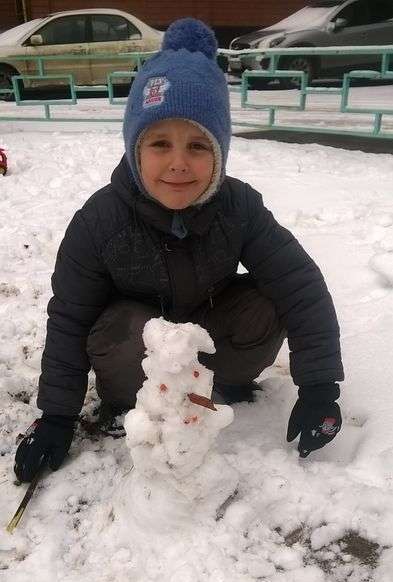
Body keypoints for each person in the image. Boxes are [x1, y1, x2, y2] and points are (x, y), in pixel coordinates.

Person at [14, 18, 344, 484]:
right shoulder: (100, 221)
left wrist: (320, 386)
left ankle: (221, 386)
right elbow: (69, 318)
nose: (178, 162)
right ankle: (132, 403)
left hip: (214, 345)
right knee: (119, 325)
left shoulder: (239, 207)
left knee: (271, 295)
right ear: (135, 150)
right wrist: (56, 417)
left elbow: (301, 286)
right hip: (138, 364)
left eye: (197, 145)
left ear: (220, 153)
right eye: (160, 143)